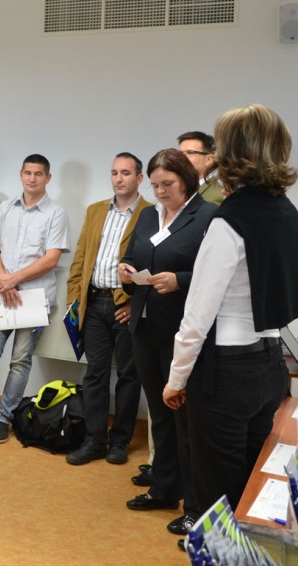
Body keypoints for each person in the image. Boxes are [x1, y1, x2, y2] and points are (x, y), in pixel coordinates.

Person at [164, 105, 298, 517]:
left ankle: (223, 552)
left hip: (224, 376)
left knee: (217, 500)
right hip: (270, 368)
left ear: (231, 154)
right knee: (253, 495)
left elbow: (198, 315)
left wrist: (176, 378)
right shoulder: (287, 213)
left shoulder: (228, 222)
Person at [118, 149, 217, 539]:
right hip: (144, 327)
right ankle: (163, 489)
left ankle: (195, 506)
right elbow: (131, 256)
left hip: (182, 331)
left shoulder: (207, 216)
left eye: (168, 184)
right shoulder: (147, 215)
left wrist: (180, 280)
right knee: (159, 415)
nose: (160, 192)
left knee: (185, 421)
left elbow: (215, 275)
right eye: (156, 185)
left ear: (186, 180)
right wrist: (126, 272)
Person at [0, 154, 70, 443]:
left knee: (20, 360)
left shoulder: (56, 213)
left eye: (38, 174)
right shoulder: (6, 208)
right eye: (27, 173)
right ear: (21, 174)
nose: (32, 178)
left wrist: (14, 279)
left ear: (48, 178)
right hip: (1, 296)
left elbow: (51, 258)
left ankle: (3, 417)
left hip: (34, 299)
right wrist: (4, 279)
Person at [65, 152, 150, 466]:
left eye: (125, 173)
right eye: (114, 172)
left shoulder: (151, 214)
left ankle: (120, 441)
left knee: (128, 376)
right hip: (93, 303)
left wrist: (135, 304)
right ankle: (95, 440)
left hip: (124, 305)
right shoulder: (96, 210)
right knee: (95, 374)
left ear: (139, 178)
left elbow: (152, 264)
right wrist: (74, 297)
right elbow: (81, 257)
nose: (119, 178)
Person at [177, 131, 225, 205]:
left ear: (209, 160)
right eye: (180, 153)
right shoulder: (176, 188)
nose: (182, 157)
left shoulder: (220, 194)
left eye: (190, 152)